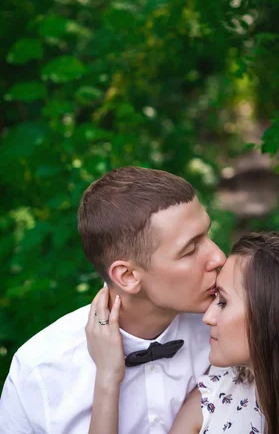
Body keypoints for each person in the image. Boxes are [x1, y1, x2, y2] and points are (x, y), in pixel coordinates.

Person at [0, 166, 249, 434]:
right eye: (190, 250)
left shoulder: (234, 334)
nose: (218, 257)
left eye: (207, 235)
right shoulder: (40, 370)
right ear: (127, 275)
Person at [86, 231, 279, 434]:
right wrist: (108, 378)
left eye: (223, 301)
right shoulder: (221, 391)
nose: (207, 317)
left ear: (277, 320)